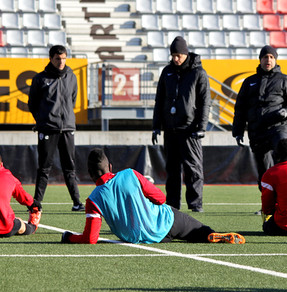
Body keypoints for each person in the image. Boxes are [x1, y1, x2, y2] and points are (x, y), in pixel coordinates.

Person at [61, 148, 245, 245]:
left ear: (90, 174)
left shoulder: (93, 199)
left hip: (138, 238)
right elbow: (161, 199)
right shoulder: (130, 174)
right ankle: (210, 234)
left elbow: (91, 238)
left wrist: (69, 237)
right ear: (110, 167)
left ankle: (204, 234)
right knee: (196, 229)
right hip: (165, 224)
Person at [152, 36, 211, 213]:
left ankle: (195, 205)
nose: (175, 59)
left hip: (190, 130)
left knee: (193, 169)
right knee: (172, 171)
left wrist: (201, 127)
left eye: (178, 55)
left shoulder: (198, 73)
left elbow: (204, 102)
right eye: (173, 55)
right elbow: (159, 100)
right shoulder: (167, 72)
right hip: (170, 130)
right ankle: (172, 205)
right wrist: (156, 126)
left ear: (185, 54)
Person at [232, 45, 287, 190]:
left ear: (276, 60)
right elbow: (240, 108)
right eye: (265, 57)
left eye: (271, 57)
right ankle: (268, 205)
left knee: (285, 160)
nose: (268, 60)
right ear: (260, 60)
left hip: (279, 127)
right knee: (264, 171)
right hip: (257, 130)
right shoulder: (249, 82)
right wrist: (238, 131)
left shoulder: (286, 80)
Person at [28, 45, 84, 212]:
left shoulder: (72, 77)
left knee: (70, 167)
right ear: (51, 59)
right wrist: (43, 120)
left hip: (67, 128)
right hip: (47, 129)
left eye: (64, 58)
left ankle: (77, 202)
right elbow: (33, 104)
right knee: (44, 167)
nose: (61, 62)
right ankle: (37, 203)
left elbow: (72, 100)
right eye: (58, 58)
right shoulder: (39, 79)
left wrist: (65, 119)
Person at [0, 153, 41, 238]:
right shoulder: (8, 176)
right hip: (6, 227)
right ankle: (33, 226)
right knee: (20, 224)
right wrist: (34, 204)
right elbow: (24, 197)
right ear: (1, 164)